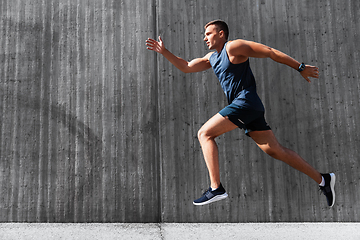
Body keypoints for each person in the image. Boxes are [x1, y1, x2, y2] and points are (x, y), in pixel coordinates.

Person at [146, 20, 336, 207]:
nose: (205, 38)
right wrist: (164, 52)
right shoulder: (212, 58)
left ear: (221, 34)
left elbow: (269, 52)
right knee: (276, 150)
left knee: (205, 134)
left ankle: (216, 188)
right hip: (249, 108)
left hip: (245, 103)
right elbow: (186, 66)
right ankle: (323, 180)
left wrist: (300, 67)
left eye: (209, 33)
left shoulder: (234, 47)